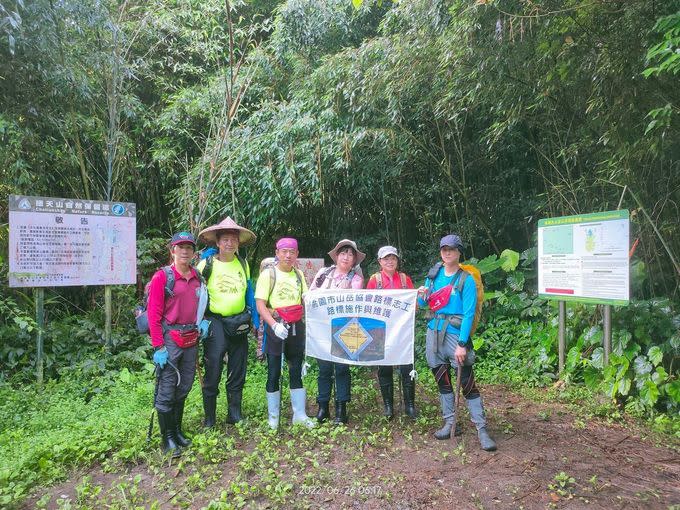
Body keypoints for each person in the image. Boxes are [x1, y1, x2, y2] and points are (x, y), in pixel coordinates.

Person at [417, 234, 497, 451]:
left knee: (467, 382)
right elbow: (425, 304)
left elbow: (469, 313)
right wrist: (422, 295)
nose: (447, 252)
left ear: (459, 251)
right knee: (442, 380)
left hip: (455, 335)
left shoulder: (466, 279)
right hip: (433, 333)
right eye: (444, 248)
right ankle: (450, 422)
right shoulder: (433, 275)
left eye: (452, 249)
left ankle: (481, 429)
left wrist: (462, 343)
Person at [147, 232, 207, 457]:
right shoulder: (162, 277)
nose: (185, 251)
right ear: (172, 250)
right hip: (170, 338)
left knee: (184, 386)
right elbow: (154, 315)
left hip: (191, 337)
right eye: (180, 247)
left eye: (189, 247)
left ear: (193, 252)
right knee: (167, 387)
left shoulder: (197, 277)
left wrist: (204, 322)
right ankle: (167, 439)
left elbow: (202, 304)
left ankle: (177, 431)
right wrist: (158, 346)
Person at [196, 217, 258, 427]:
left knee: (238, 367)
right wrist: (198, 321)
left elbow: (249, 291)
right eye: (225, 240)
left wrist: (255, 318)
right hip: (215, 322)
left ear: (238, 243)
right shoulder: (206, 264)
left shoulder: (242, 263)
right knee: (213, 367)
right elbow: (196, 295)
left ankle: (234, 413)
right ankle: (210, 418)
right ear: (218, 242)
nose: (229, 244)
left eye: (233, 240)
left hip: (239, 320)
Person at [255, 238, 314, 429]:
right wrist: (273, 325)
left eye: (292, 252)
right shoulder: (268, 274)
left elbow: (305, 297)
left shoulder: (298, 274)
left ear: (297, 254)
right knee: (274, 371)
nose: (288, 256)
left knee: (296, 369)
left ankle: (299, 414)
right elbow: (260, 304)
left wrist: (308, 297)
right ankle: (273, 417)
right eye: (284, 251)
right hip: (276, 327)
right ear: (277, 253)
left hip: (296, 327)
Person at [309, 239, 365, 425]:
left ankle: (342, 409)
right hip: (322, 328)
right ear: (337, 255)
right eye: (343, 253)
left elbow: (352, 302)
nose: (346, 257)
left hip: (345, 327)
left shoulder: (356, 279)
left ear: (354, 259)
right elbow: (311, 294)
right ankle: (323, 407)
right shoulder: (324, 274)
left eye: (350, 254)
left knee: (342, 367)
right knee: (324, 368)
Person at [366, 245, 417, 420]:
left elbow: (414, 304)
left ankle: (409, 405)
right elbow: (368, 306)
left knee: (406, 366)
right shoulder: (375, 280)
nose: (390, 261)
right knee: (385, 367)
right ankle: (388, 406)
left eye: (393, 258)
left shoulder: (404, 279)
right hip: (381, 331)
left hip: (402, 331)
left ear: (397, 260)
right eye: (386, 258)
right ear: (380, 261)